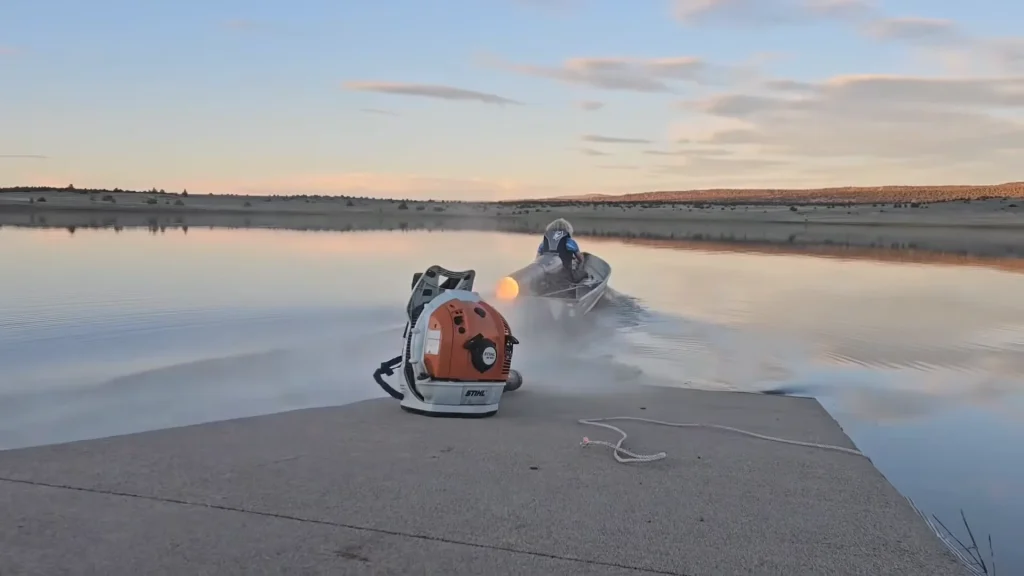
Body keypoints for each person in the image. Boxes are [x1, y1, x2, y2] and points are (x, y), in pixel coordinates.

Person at [537, 218, 587, 285]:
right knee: (585, 274)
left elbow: (537, 260)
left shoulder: (544, 243)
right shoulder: (569, 242)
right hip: (565, 277)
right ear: (568, 230)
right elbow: (580, 259)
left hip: (547, 277)